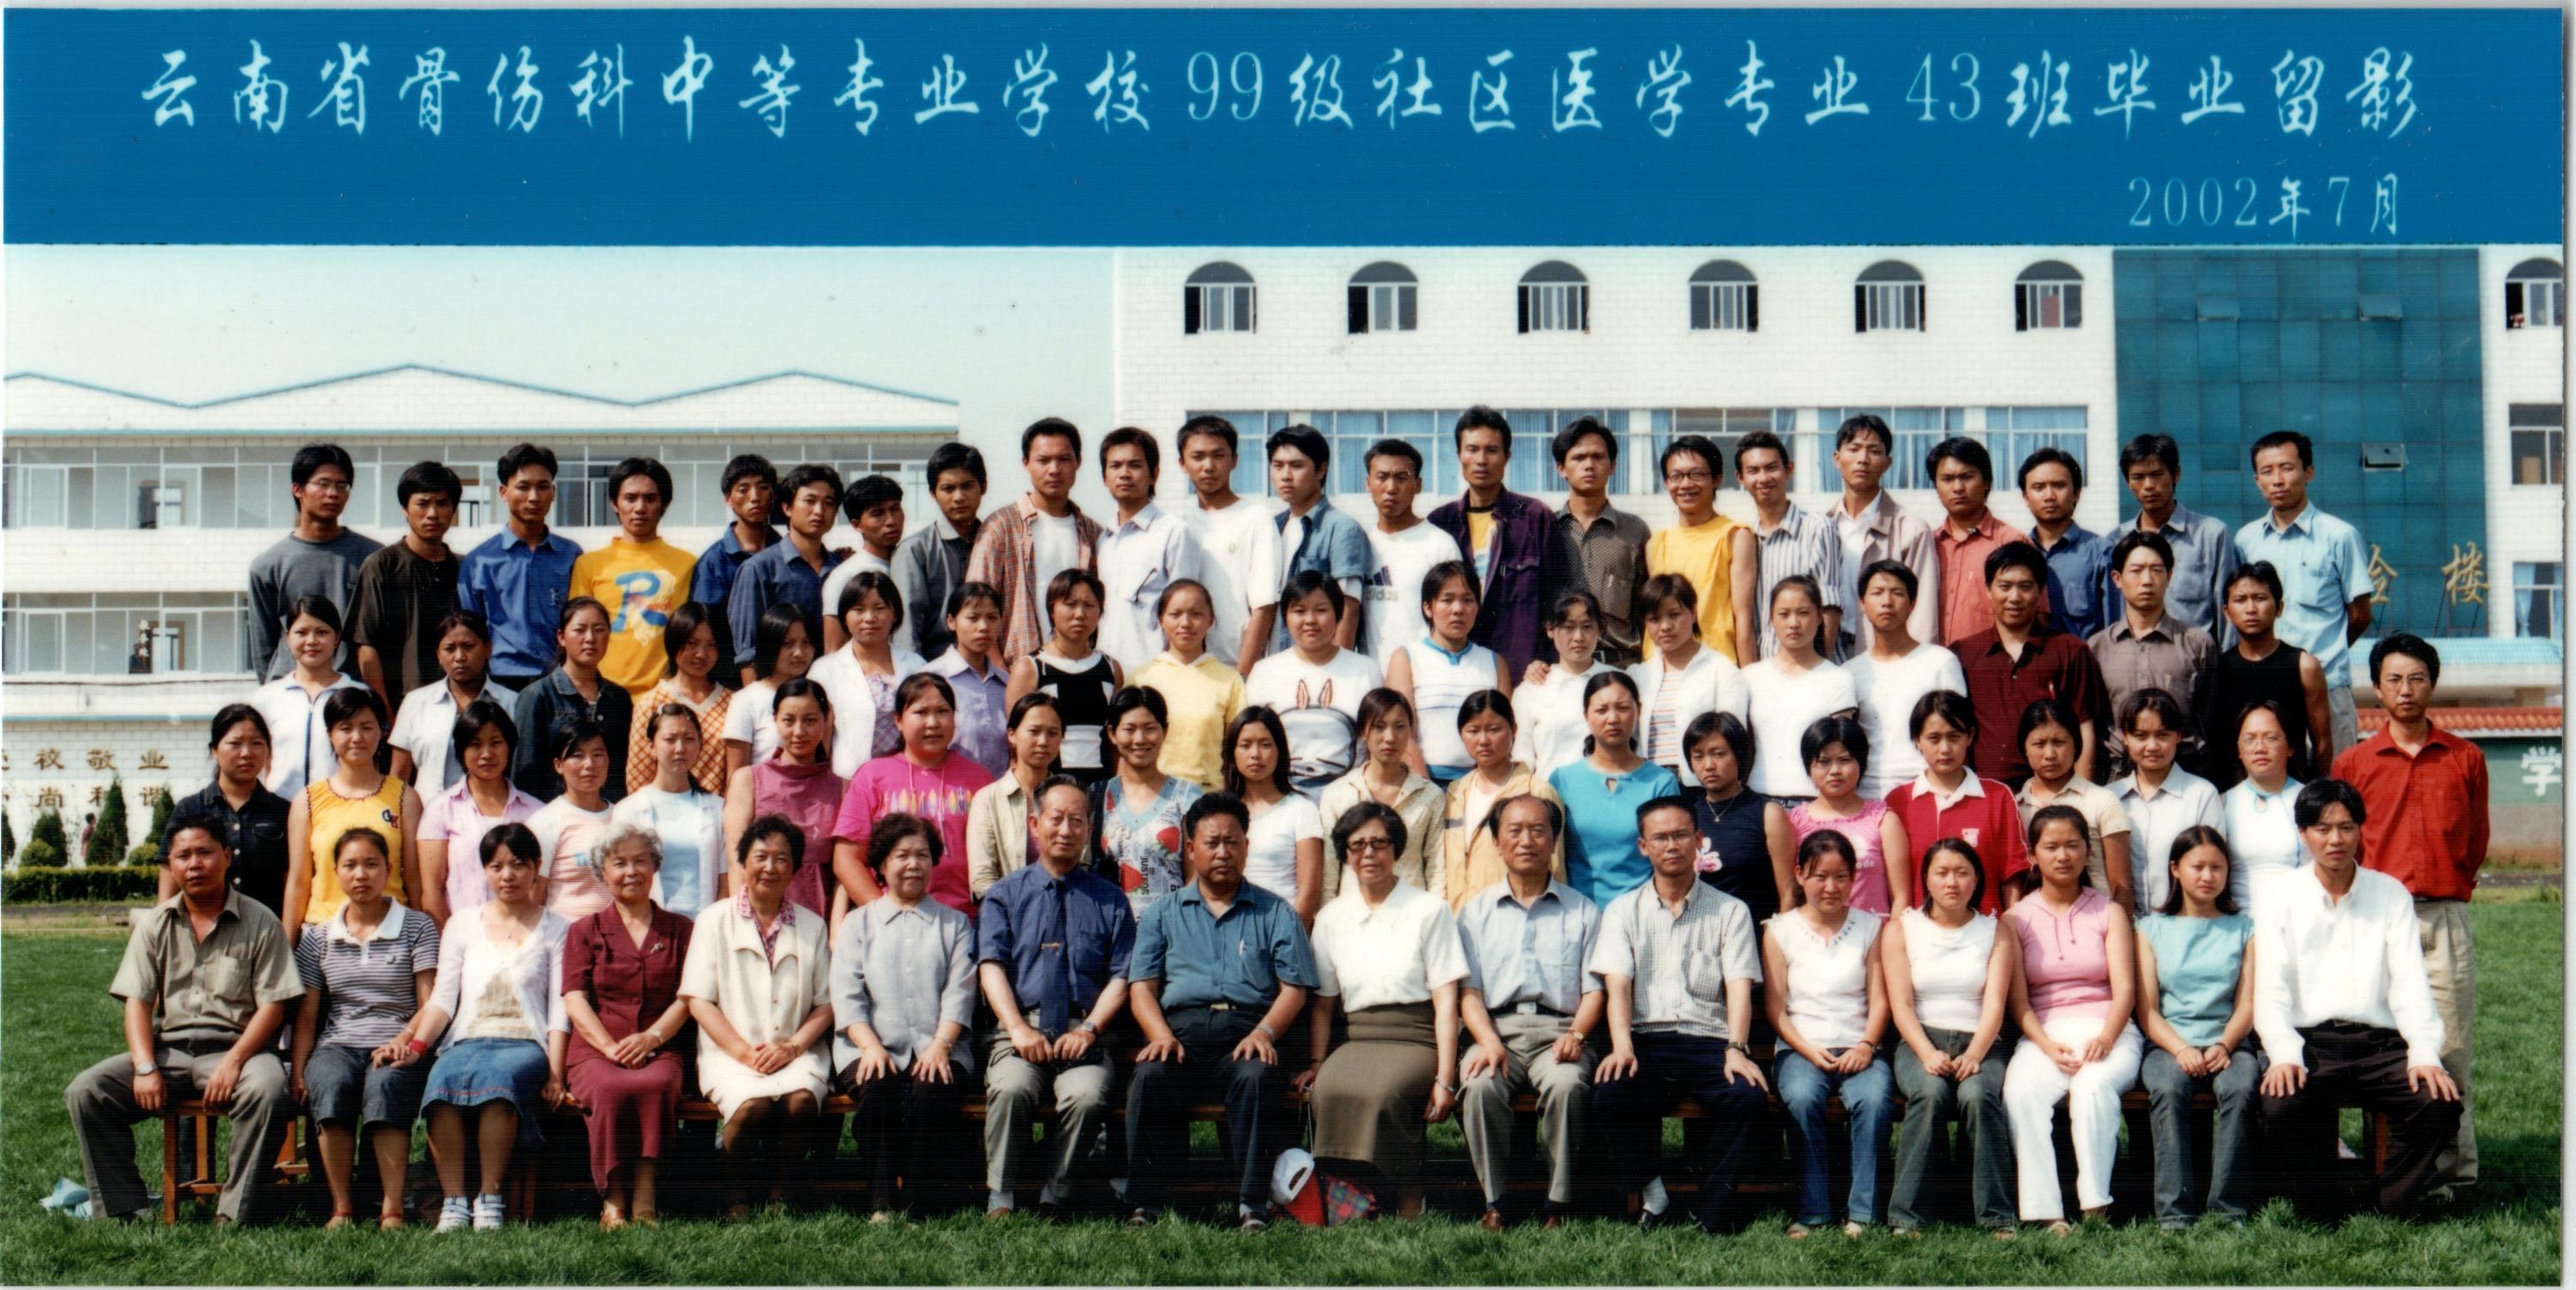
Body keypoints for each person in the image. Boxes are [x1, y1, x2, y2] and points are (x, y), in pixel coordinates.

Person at [65, 811, 303, 1224]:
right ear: (171, 865)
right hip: (170, 1052)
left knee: (268, 1090)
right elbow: (137, 1002)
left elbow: (274, 1006)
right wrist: (144, 1066)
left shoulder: (262, 921)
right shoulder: (155, 923)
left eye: (205, 853)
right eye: (183, 856)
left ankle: (235, 1212)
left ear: (227, 856)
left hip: (240, 1051)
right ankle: (124, 1209)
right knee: (87, 1092)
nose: (195, 864)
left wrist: (234, 1062)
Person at [2254, 778, 2463, 1218]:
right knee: (2280, 1103)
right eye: (2322, 828)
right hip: (2311, 1041)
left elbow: (2410, 983)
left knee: (2439, 1103)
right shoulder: (2280, 896)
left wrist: (2424, 1052)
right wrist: (2284, 1054)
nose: (2335, 839)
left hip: (2378, 1045)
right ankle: (2322, 1203)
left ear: (2360, 830)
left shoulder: (2389, 893)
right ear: (2303, 834)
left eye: (2346, 827)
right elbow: (2270, 988)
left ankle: (2387, 1201)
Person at [2333, 633, 2489, 1199]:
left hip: (2442, 917)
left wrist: (2445, 886)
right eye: (2394, 679)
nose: (2405, 690)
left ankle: (2448, 1172)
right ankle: (2392, 1166)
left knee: (2447, 1047)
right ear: (2377, 688)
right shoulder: (2353, 763)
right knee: (2379, 1048)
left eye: (2416, 678)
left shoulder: (2464, 758)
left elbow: (2474, 841)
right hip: (2374, 920)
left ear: (2432, 684)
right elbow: (2342, 844)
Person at [1125, 793, 1318, 1229]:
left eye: (1232, 842)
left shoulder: (1276, 912)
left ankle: (1252, 1204)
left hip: (1246, 1032)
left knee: (1255, 1076)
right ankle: (1146, 1203)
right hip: (1181, 1035)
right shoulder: (1162, 914)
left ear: (1247, 846)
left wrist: (1264, 1033)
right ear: (1191, 849)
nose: (1223, 852)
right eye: (1212, 843)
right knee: (1150, 1076)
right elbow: (1142, 989)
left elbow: (1294, 989)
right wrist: (1160, 1035)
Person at [1588, 795, 1770, 1234]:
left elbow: (1739, 986)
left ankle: (1712, 1209)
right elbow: (1618, 986)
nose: (1671, 845)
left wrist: (1736, 1048)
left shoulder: (1731, 911)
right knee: (1610, 1093)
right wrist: (1622, 1047)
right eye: (1660, 838)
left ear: (1699, 840)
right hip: (1647, 1041)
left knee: (1746, 1096)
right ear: (1643, 847)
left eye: (1681, 835)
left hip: (1710, 1042)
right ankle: (1656, 1196)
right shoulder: (1622, 911)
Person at [1297, 801, 1468, 1218]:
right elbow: (1323, 1005)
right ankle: (1349, 1198)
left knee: (1383, 1094)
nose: (1369, 853)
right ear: (1345, 854)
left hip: (1416, 1039)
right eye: (1357, 845)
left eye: (1379, 843)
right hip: (1358, 1038)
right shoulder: (1332, 917)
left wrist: (1446, 1078)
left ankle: (1407, 1193)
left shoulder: (1429, 910)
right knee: (1329, 1091)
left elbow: (1447, 1001)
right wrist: (1318, 1063)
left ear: (1396, 849)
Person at [977, 777, 1137, 1217]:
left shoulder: (1111, 900)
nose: (1066, 830)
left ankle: (1056, 1192)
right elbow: (990, 967)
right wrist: (1017, 1028)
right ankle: (1001, 1194)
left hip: (1082, 1030)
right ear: (1035, 824)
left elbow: (1121, 977)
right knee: (1011, 1087)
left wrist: (1089, 1030)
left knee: (1086, 1095)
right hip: (1020, 1027)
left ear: (1089, 830)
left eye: (1077, 821)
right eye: (1056, 819)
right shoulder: (1004, 895)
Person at [410, 822, 570, 1233]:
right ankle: (453, 1202)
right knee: (441, 1083)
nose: (507, 875)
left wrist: (555, 1073)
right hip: (467, 1039)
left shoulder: (557, 928)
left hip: (524, 1043)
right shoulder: (462, 924)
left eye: (518, 864)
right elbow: (442, 1000)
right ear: (484, 871)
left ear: (536, 867)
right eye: (496, 866)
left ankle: (490, 1198)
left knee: (499, 1083)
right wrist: (416, 1046)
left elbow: (559, 1009)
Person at [1454, 795, 1599, 1230]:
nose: (1526, 841)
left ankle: (1558, 1202)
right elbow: (1469, 993)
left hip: (1561, 1031)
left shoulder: (1583, 911)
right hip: (1496, 1030)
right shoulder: (1474, 913)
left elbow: (1594, 991)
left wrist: (1576, 1035)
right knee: (1480, 1084)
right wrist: (1488, 1041)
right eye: (1514, 831)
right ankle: (1495, 1201)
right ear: (1497, 843)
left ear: (1553, 841)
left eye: (1538, 831)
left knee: (1568, 1085)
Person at [682, 814, 835, 1220]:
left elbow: (826, 1004)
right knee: (752, 1106)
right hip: (730, 1052)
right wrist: (742, 1053)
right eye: (761, 857)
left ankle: (782, 1190)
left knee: (801, 1101)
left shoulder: (812, 925)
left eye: (782, 859)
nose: (770, 867)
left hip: (794, 1050)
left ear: (795, 868)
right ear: (743, 862)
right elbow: (699, 1000)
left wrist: (793, 1047)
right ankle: (735, 1192)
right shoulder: (713, 920)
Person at [2001, 805, 2142, 1236]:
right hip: (2045, 1035)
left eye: (2072, 846)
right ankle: (2049, 1214)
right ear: (2033, 855)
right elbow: (2019, 1003)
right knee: (2021, 1092)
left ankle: (2095, 1206)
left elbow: (2125, 991)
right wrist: (2046, 1046)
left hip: (2108, 1029)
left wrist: (2106, 1038)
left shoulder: (2108, 911)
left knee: (2091, 1087)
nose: (2063, 856)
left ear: (2088, 852)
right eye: (2051, 847)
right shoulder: (2015, 918)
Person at [289, 828, 438, 1229]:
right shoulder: (318, 938)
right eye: (350, 865)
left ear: (389, 869)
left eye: (371, 864)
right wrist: (300, 1069)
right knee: (331, 1082)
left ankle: (392, 1208)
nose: (361, 874)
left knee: (386, 1083)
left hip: (398, 1042)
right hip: (338, 1043)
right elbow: (307, 1016)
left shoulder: (417, 927)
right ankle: (342, 1208)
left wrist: (405, 1042)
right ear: (335, 872)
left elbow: (430, 1004)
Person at [832, 813, 977, 1222]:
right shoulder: (858, 924)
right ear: (881, 863)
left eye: (922, 855)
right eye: (902, 856)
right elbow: (847, 995)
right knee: (878, 1086)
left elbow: (960, 992)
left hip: (941, 1045)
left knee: (931, 1088)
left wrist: (941, 1045)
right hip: (867, 1045)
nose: (913, 864)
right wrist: (871, 1047)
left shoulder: (955, 924)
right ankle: (880, 1201)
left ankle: (918, 1202)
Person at [555, 821, 694, 1229]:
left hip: (660, 1045)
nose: (631, 871)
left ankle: (646, 1199)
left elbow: (689, 997)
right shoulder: (584, 930)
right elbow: (574, 998)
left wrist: (652, 1038)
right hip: (596, 1049)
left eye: (640, 861)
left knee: (657, 1083)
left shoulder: (681, 929)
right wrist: (608, 1047)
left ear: (655, 866)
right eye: (620, 863)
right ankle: (613, 1199)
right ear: (602, 872)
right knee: (610, 1087)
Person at [1882, 838, 2017, 1238]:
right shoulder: (1902, 929)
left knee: (1978, 1097)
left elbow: (1995, 1005)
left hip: (1981, 1042)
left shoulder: (1996, 931)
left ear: (1977, 879)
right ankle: (1908, 1216)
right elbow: (1901, 1006)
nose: (1952, 882)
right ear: (1926, 878)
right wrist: (1927, 1053)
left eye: (1962, 873)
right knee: (1929, 1094)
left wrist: (1975, 1054)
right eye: (1941, 873)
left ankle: (1996, 1215)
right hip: (1920, 1038)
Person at [1764, 831, 1893, 1239]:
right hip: (1801, 1047)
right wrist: (1806, 1049)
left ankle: (1863, 1214)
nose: (1831, 887)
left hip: (1860, 1046)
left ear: (1854, 877)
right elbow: (1775, 1008)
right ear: (1800, 875)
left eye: (1841, 877)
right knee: (1802, 1097)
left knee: (1873, 1101)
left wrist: (1866, 1045)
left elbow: (1880, 999)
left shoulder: (1871, 927)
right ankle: (1814, 1210)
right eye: (1820, 876)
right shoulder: (1779, 930)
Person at [2135, 825, 2261, 1230]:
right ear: (2175, 869)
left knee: (2240, 1089)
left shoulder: (2244, 929)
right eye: (2198, 867)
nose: (2208, 876)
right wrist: (2180, 1049)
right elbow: (2148, 1011)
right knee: (2169, 1088)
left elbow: (2247, 1004)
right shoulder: (2150, 929)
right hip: (2169, 1043)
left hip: (2230, 1042)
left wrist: (2224, 1045)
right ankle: (2175, 1212)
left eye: (2217, 868)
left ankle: (2228, 1209)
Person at [2235, 431, 2374, 755]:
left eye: (2287, 468)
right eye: (2267, 471)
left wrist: (2323, 654)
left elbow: (2360, 615)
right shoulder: (2245, 541)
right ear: (2257, 480)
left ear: (2308, 472)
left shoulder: (2339, 536)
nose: (2277, 480)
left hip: (2328, 687)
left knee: (2333, 777)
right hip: (2264, 691)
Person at [831, 674, 996, 918]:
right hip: (890, 921)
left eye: (942, 711)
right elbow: (846, 859)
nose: (933, 723)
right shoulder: (872, 776)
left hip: (965, 923)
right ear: (898, 720)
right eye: (921, 712)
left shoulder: (979, 779)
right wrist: (888, 916)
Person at [1952, 542, 2108, 784]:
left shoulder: (2070, 651)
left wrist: (2078, 796)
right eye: (2005, 586)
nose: (2015, 597)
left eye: (2025, 587)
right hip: (1985, 794)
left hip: (2054, 793)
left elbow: (2086, 730)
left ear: (2040, 591)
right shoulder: (1963, 654)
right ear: (1989, 590)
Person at [283, 687, 419, 945]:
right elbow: (298, 882)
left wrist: (424, 940)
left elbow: (414, 877)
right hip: (322, 937)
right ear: (330, 734)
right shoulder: (307, 800)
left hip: (391, 934)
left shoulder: (406, 798)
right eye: (345, 728)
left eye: (366, 727)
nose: (357, 737)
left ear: (382, 732)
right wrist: (286, 948)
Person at [1427, 407, 1556, 677]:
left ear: (1507, 456)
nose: (1481, 460)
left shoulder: (1534, 517)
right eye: (1472, 449)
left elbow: (1557, 598)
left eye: (1492, 450)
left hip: (1521, 671)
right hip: (1455, 668)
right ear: (1459, 455)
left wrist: (1544, 660)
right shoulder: (1441, 522)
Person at [969, 418, 1107, 669]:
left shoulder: (1093, 533)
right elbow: (975, 604)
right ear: (1026, 463)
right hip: (1018, 671)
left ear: (1078, 462)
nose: (1054, 469)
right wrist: (1001, 672)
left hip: (1081, 670)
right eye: (1043, 460)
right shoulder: (1000, 527)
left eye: (1063, 459)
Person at [2090, 528, 2219, 777]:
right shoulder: (2097, 648)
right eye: (2136, 570)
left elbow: (2210, 720)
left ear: (2169, 576)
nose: (2147, 580)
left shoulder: (2199, 645)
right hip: (2119, 777)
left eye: (2156, 570)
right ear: (2117, 578)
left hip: (2186, 774)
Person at [1886, 691, 2027, 915]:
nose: (1945, 749)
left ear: (1969, 736)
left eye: (1954, 737)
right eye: (1934, 738)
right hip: (1918, 930)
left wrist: (2011, 925)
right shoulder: (1898, 801)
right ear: (1917, 740)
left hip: (1987, 928)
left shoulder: (1998, 797)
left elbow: (2013, 873)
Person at [249, 443, 381, 681]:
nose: (333, 493)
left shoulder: (373, 558)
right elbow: (263, 649)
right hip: (292, 692)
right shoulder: (268, 566)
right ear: (298, 489)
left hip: (354, 692)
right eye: (323, 483)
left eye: (342, 485)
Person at [568, 457, 697, 699]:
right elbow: (577, 638)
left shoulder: (688, 565)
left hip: (665, 698)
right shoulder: (589, 565)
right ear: (614, 503)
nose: (639, 508)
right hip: (604, 698)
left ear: (665, 504)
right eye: (630, 498)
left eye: (650, 498)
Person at [1552, 673, 1681, 908]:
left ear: (1639, 710)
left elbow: (1669, 861)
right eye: (1601, 710)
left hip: (1643, 913)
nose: (1613, 719)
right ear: (1586, 715)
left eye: (1622, 708)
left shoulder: (1660, 782)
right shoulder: (1562, 781)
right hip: (1577, 913)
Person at [1841, 561, 1968, 801]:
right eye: (1877, 593)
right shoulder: (1849, 673)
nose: (1887, 602)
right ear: (1862, 603)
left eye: (1897, 593)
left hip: (1929, 791)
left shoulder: (1940, 662)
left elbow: (1958, 733)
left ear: (1912, 603)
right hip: (1869, 795)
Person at [722, 677, 845, 921]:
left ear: (826, 720)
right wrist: (743, 922)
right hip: (757, 918)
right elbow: (736, 861)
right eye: (789, 720)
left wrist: (835, 932)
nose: (799, 732)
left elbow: (843, 871)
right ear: (775, 719)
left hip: (817, 922)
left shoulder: (842, 788)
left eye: (810, 721)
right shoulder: (748, 780)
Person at [1247, 571, 1382, 794]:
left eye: (1321, 610)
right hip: (1280, 798)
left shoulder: (1367, 671)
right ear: (1285, 617)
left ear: (1338, 615)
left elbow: (1375, 744)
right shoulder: (1264, 672)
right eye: (1299, 611)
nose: (1310, 620)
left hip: (1351, 799)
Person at [459, 443, 580, 691]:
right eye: (523, 487)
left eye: (542, 487)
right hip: (501, 685)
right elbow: (469, 633)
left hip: (561, 683)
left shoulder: (571, 556)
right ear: (503, 492)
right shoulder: (479, 562)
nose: (533, 497)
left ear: (553, 492)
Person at [2204, 562, 2334, 788]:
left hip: (2292, 790)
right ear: (2226, 612)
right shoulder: (2218, 669)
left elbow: (2322, 742)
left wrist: (2317, 792)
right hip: (2232, 794)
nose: (2251, 609)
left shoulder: (2304, 666)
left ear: (2279, 607)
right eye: (2240, 600)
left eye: (2260, 598)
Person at [415, 700, 542, 926]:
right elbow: (432, 890)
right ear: (462, 750)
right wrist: (451, 939)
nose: (487, 754)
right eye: (475, 744)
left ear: (509, 746)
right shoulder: (440, 810)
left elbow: (541, 885)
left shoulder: (536, 812)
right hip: (461, 938)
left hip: (522, 936)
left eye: (496, 743)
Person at [1314, 689, 1446, 905]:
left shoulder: (1430, 795)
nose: (1390, 737)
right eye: (1379, 727)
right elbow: (1329, 873)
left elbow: (1437, 870)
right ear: (1363, 731)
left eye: (1399, 727)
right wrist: (1327, 919)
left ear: (1410, 731)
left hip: (1412, 913)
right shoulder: (1338, 794)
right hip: (1353, 914)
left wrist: (1434, 917)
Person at [348, 460, 464, 705]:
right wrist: (386, 715)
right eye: (423, 503)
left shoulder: (465, 568)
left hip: (458, 702)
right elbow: (366, 648)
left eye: (442, 503)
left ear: (453, 509)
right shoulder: (382, 565)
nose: (432, 513)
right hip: (401, 703)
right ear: (405, 508)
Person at [159, 705, 293, 915]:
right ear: (215, 750)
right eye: (235, 744)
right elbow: (170, 884)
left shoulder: (283, 811)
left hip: (265, 929)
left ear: (268, 750)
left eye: (256, 743)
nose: (247, 753)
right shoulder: (190, 809)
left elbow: (293, 881)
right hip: (204, 928)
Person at [2105, 433, 2239, 642]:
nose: (2148, 485)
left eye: (2157, 475)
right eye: (2138, 477)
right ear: (2128, 482)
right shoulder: (2116, 541)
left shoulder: (2212, 535)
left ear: (2176, 474)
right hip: (2134, 658)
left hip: (2196, 658)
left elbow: (2230, 616)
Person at [1094, 426, 1206, 674]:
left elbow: (1186, 611)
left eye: (1135, 465)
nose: (1124, 474)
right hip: (1106, 673)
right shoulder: (1103, 540)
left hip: (1156, 674)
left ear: (1154, 474)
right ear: (1104, 477)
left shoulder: (1173, 532)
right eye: (1115, 466)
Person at [1175, 415, 1283, 674]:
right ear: (1182, 464)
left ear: (1234, 460)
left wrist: (1241, 677)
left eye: (1218, 456)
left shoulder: (1256, 518)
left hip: (1237, 667)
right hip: (1187, 669)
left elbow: (1264, 606)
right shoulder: (1180, 526)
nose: (1208, 466)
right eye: (1198, 457)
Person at [1437, 691, 1563, 909]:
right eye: (1473, 731)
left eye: (1494, 729)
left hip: (1514, 915)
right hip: (1458, 918)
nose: (1483, 740)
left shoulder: (1536, 791)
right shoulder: (1455, 793)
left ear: (1513, 729)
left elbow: (1555, 866)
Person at [1386, 560, 1508, 785]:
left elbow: (1504, 734)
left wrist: (1474, 789)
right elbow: (1401, 732)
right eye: (1447, 600)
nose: (1458, 609)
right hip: (1420, 782)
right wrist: (1425, 790)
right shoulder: (1406, 658)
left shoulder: (1494, 662)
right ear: (1428, 608)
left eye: (1467, 600)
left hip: (1482, 784)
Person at [2106, 689, 2225, 917]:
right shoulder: (2109, 799)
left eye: (2163, 735)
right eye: (2141, 736)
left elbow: (2213, 868)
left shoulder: (2201, 795)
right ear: (2125, 737)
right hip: (2123, 928)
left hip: (2185, 925)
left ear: (2178, 736)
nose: (2152, 746)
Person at [1545, 418, 1652, 669]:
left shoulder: (1634, 531)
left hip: (1620, 666)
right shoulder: (1547, 530)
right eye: (1579, 458)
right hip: (1561, 667)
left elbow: (1647, 609)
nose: (1589, 465)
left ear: (1612, 465)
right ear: (1561, 468)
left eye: (1598, 457)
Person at [1828, 415, 1942, 654]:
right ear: (1837, 458)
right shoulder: (1823, 527)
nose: (1862, 459)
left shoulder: (1911, 529)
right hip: (1831, 652)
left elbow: (1923, 611)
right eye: (1854, 449)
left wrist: (1915, 664)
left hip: (1887, 655)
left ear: (1887, 463)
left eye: (1874, 451)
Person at [724, 464, 845, 685]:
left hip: (835, 689)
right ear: (788, 507)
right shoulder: (759, 569)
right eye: (810, 501)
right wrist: (758, 700)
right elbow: (748, 652)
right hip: (780, 694)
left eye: (828, 503)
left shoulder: (842, 568)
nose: (819, 511)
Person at [1009, 569, 1128, 790]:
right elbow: (1016, 745)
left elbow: (1116, 743)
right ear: (1051, 609)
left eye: (1089, 605)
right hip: (1048, 791)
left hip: (1100, 790)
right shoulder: (1031, 668)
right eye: (1070, 604)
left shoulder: (1111, 669)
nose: (1080, 614)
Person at [2012, 698, 2136, 910]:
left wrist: (2121, 928)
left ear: (2076, 744)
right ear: (2024, 747)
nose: (2050, 755)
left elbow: (2121, 887)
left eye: (2059, 742)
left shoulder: (2102, 801)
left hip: (2097, 920)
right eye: (2039, 744)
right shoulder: (2014, 807)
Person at [1741, 578, 1859, 799]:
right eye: (1784, 614)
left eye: (1803, 613)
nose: (1793, 623)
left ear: (1819, 617)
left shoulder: (1838, 678)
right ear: (1771, 619)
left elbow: (1843, 752)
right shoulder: (1750, 677)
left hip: (1816, 802)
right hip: (1758, 801)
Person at [1627, 573, 1750, 788]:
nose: (1665, 626)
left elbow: (1733, 738)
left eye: (1674, 615)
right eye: (1654, 619)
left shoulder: (1722, 670)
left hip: (1700, 786)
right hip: (1648, 784)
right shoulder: (1637, 675)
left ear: (1693, 613)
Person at [1644, 434, 1756, 665]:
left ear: (1717, 479)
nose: (1686, 484)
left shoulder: (1735, 535)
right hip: (1661, 668)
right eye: (1676, 476)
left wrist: (1748, 676)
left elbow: (1743, 618)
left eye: (1696, 474)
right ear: (1666, 483)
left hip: (1716, 666)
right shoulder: (1657, 543)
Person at [508, 597, 633, 803]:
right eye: (580, 630)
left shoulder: (618, 698)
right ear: (561, 637)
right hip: (553, 814)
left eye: (599, 630)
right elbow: (525, 774)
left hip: (609, 813)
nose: (590, 638)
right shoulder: (537, 696)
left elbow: (623, 769)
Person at [1092, 687, 1204, 915]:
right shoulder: (1098, 796)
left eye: (1150, 729)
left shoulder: (1187, 797)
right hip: (1112, 930)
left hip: (1169, 928)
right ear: (1112, 733)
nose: (1139, 739)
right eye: (1129, 729)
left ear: (1165, 731)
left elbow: (1195, 878)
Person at [808, 572, 930, 777]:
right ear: (844, 617)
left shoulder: (917, 666)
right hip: (847, 781)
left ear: (895, 614)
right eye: (859, 609)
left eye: (879, 608)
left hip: (907, 780)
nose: (869, 618)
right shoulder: (824, 671)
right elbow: (817, 736)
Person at [1682, 712, 1798, 927]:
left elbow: (1789, 892)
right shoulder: (1687, 817)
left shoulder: (1767, 813)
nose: (1708, 765)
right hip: (1699, 934)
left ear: (1739, 754)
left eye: (1718, 754)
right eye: (1698, 756)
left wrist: (1781, 940)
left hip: (1753, 934)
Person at [609, 705, 727, 917]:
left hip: (705, 928)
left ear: (700, 745)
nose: (680, 748)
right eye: (670, 739)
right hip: (651, 928)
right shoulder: (628, 811)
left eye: (689, 739)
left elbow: (726, 882)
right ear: (651, 747)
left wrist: (713, 928)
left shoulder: (718, 809)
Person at [1737, 430, 1845, 660]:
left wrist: (1819, 670)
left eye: (1771, 468)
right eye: (1753, 471)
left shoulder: (1817, 528)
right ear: (1740, 478)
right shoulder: (1745, 538)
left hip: (1810, 668)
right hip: (1765, 670)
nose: (1764, 478)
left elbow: (1829, 608)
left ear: (1789, 469)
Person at [390, 610, 519, 801]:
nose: (459, 657)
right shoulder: (415, 702)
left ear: (488, 648)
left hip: (493, 813)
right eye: (450, 649)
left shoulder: (513, 703)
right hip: (426, 812)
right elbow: (399, 774)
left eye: (468, 647)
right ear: (438, 655)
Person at [249, 595, 369, 798]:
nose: (312, 641)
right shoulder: (266, 698)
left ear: (337, 638)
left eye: (322, 632)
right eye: (301, 633)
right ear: (288, 638)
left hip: (340, 808)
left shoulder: (359, 695)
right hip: (279, 809)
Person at [1130, 579, 1243, 792]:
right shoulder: (1141, 678)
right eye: (1175, 614)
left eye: (1196, 614)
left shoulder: (1230, 680)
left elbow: (1234, 751)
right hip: (1151, 796)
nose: (1186, 623)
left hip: (1208, 798)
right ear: (1161, 620)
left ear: (1211, 620)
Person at [1788, 717, 1909, 915]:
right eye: (1824, 762)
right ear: (1809, 766)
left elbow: (1901, 897)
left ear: (1861, 763)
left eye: (1845, 760)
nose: (1835, 771)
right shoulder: (1793, 823)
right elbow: (1789, 893)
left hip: (1874, 932)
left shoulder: (1883, 820)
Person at [1359, 438, 1462, 668]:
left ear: (1418, 485)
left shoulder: (1440, 545)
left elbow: (1455, 619)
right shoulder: (1361, 544)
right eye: (1382, 477)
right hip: (1372, 679)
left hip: (1426, 674)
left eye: (1401, 478)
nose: (1391, 488)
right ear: (1368, 483)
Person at [1267, 425, 1369, 654]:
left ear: (1321, 470)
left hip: (1320, 662)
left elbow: (1348, 608)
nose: (1285, 476)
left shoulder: (1342, 528)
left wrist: (1338, 667)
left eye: (1297, 466)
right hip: (1276, 661)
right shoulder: (1271, 527)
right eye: (1278, 465)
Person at [1926, 437, 2036, 646]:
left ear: (1986, 483)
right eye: (1947, 479)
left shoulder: (2012, 543)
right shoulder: (1926, 545)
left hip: (1992, 663)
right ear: (1936, 487)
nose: (1957, 487)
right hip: (1934, 663)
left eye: (1967, 477)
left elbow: (2036, 617)